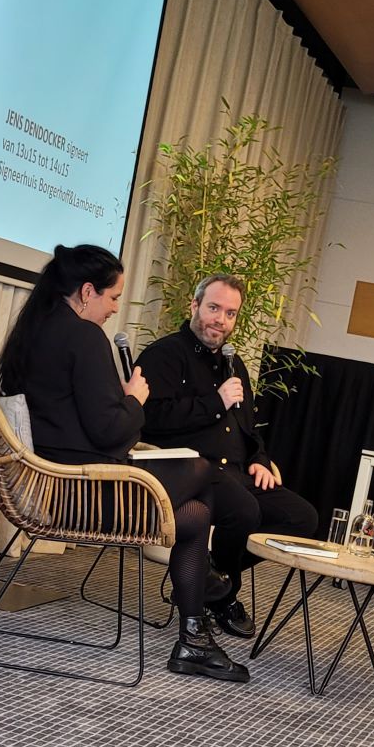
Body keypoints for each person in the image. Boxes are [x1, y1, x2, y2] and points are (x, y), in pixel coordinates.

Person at [0, 245, 248, 684]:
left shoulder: (35, 329)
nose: (114, 309)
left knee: (195, 513)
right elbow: (110, 431)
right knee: (202, 473)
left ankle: (194, 634)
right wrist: (135, 398)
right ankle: (199, 615)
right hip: (80, 492)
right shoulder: (84, 337)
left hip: (48, 482)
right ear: (87, 292)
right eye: (112, 297)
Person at [137, 272, 318, 638]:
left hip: (237, 472)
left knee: (302, 518)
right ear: (194, 305)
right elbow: (149, 419)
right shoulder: (164, 355)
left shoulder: (234, 365)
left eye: (230, 313)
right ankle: (222, 595)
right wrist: (213, 402)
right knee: (244, 512)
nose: (221, 320)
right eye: (214, 308)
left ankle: (206, 576)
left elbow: (247, 428)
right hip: (192, 473)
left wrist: (260, 459)